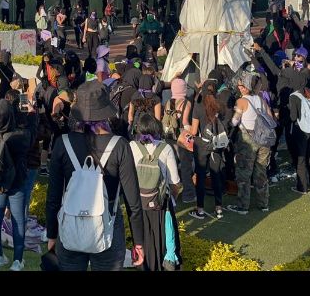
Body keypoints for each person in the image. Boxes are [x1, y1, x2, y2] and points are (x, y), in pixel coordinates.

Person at [45, 81, 145, 271]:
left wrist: (52, 234)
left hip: (71, 222)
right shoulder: (120, 145)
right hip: (108, 224)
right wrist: (138, 241)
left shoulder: (62, 143)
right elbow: (133, 202)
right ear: (106, 111)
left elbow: (53, 197)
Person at [0, 95, 38, 271]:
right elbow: (33, 134)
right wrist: (32, 113)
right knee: (18, 220)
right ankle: (17, 260)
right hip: (16, 182)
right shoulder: (18, 136)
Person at [129, 113, 182, 271]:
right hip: (160, 204)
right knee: (164, 241)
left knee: (141, 241)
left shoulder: (131, 147)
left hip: (138, 204)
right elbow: (175, 182)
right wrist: (172, 198)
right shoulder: (166, 148)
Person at [225, 72, 273, 215]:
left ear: (246, 87)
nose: (239, 87)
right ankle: (263, 203)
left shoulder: (241, 101)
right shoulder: (261, 99)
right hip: (264, 139)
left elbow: (234, 121)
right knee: (261, 172)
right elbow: (270, 118)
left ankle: (243, 206)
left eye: (241, 85)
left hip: (248, 141)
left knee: (244, 174)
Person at [189, 81, 228, 219]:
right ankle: (219, 208)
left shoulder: (198, 107)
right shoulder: (220, 106)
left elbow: (194, 131)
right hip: (217, 144)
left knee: (200, 176)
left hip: (201, 145)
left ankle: (200, 209)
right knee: (216, 174)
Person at [289, 85, 310, 194]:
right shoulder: (309, 92)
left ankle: (302, 187)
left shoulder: (293, 97)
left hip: (302, 130)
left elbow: (293, 117)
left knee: (301, 159)